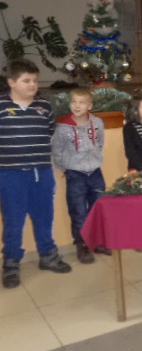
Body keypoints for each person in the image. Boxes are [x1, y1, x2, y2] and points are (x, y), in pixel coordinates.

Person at [0, 59, 71, 288]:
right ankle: (11, 264)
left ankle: (48, 255)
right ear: (11, 82)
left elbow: (49, 132)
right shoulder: (1, 107)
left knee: (44, 217)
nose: (32, 85)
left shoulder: (44, 107)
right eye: (26, 80)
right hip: (10, 175)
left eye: (35, 80)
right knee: (13, 221)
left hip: (41, 172)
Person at [52, 88, 109, 264]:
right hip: (75, 174)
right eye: (74, 102)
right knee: (78, 212)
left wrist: (94, 161)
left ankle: (98, 241)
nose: (77, 106)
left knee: (98, 208)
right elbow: (57, 151)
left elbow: (99, 143)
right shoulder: (63, 127)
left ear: (89, 106)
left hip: (95, 172)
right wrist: (66, 169)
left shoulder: (97, 123)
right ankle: (82, 245)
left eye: (82, 102)